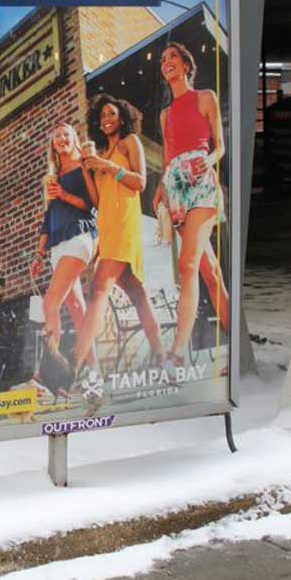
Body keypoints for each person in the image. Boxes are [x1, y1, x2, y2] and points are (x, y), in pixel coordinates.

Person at [72, 95, 168, 392]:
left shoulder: (130, 142)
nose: (106, 119)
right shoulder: (102, 151)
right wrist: (88, 170)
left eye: (111, 113)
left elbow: (139, 182)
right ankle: (164, 361)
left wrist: (108, 166)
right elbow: (98, 201)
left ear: (122, 116)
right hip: (108, 227)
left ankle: (74, 369)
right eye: (102, 116)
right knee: (138, 295)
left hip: (126, 225)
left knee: (98, 289)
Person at [153, 42, 230, 371]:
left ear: (186, 65)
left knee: (186, 266)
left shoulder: (205, 97)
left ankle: (178, 352)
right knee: (208, 273)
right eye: (163, 60)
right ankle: (238, 344)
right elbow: (168, 157)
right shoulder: (165, 114)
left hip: (201, 185)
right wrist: (160, 192)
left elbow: (220, 145)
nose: (166, 63)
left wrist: (207, 161)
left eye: (173, 57)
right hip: (176, 189)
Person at [28, 122, 99, 397]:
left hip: (79, 237)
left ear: (74, 139)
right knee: (77, 309)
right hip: (58, 245)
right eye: (56, 136)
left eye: (65, 134)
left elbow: (93, 204)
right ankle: (93, 374)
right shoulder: (52, 176)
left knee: (50, 303)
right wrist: (39, 252)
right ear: (53, 145)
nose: (61, 138)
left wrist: (64, 194)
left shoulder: (83, 165)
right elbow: (48, 218)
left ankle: (48, 376)